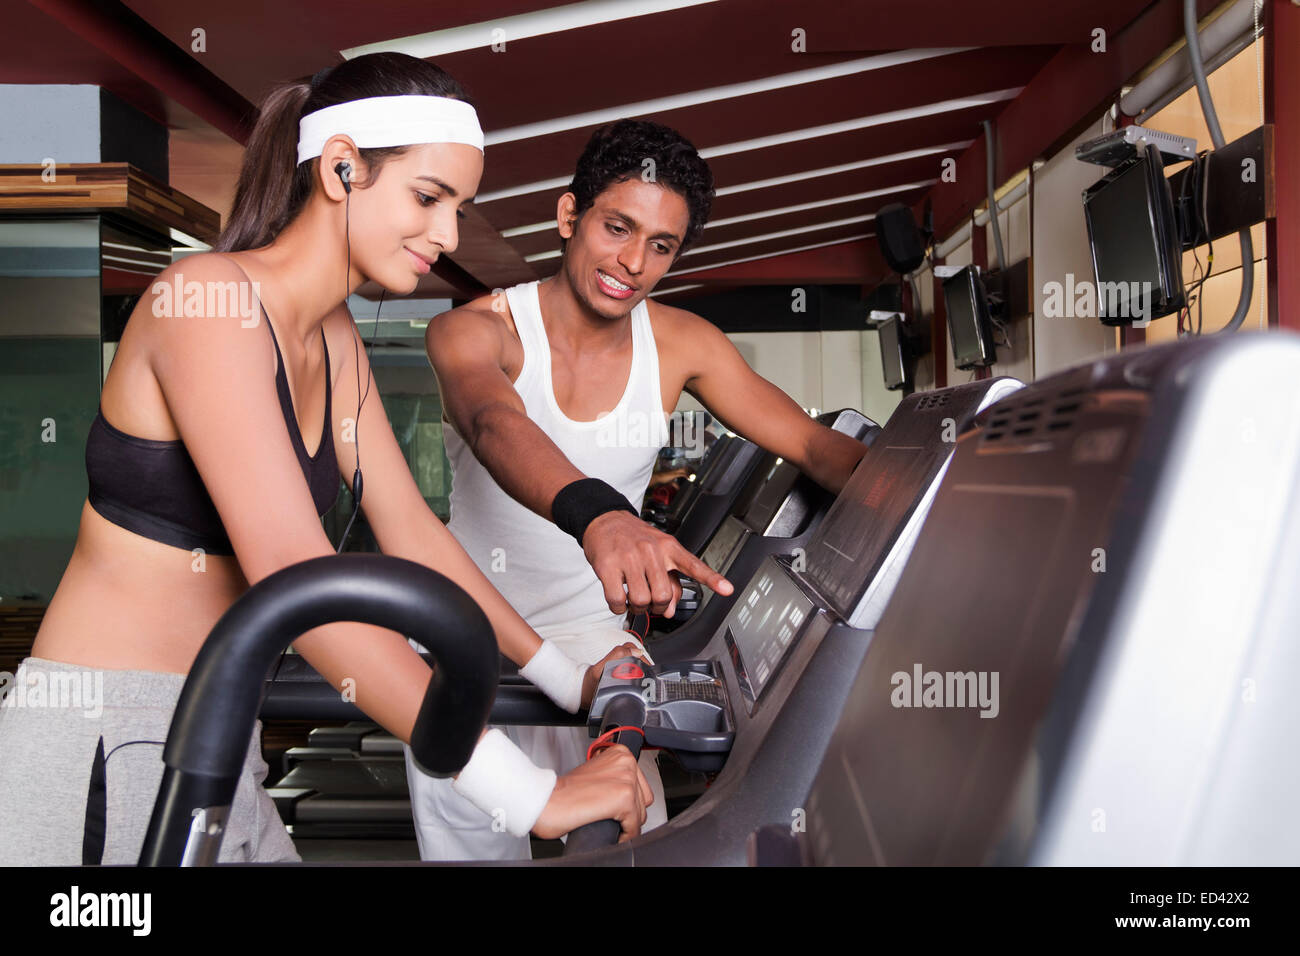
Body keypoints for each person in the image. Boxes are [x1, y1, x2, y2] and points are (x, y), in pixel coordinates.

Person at [0, 52, 652, 867]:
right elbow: (292, 572)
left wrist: (564, 681)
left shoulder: (336, 342)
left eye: (460, 206)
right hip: (105, 738)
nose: (447, 235)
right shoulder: (209, 303)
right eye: (428, 197)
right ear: (342, 167)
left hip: (216, 733)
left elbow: (414, 534)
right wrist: (529, 794)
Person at [411, 119, 869, 859]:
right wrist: (601, 518)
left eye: (661, 245)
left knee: (629, 850)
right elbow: (495, 424)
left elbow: (817, 447)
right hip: (468, 646)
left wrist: (942, 489)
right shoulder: (475, 330)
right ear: (569, 216)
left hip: (601, 658)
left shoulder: (684, 342)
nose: (633, 262)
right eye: (617, 227)